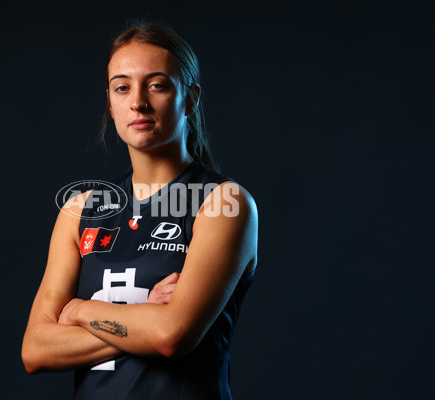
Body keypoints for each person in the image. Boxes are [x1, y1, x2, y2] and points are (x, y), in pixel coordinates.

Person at [21, 21, 258, 400]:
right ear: (111, 102)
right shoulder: (81, 208)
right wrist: (145, 315)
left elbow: (170, 336)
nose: (138, 102)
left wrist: (80, 311)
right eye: (122, 87)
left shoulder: (223, 203)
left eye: (157, 84)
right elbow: (35, 348)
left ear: (191, 98)